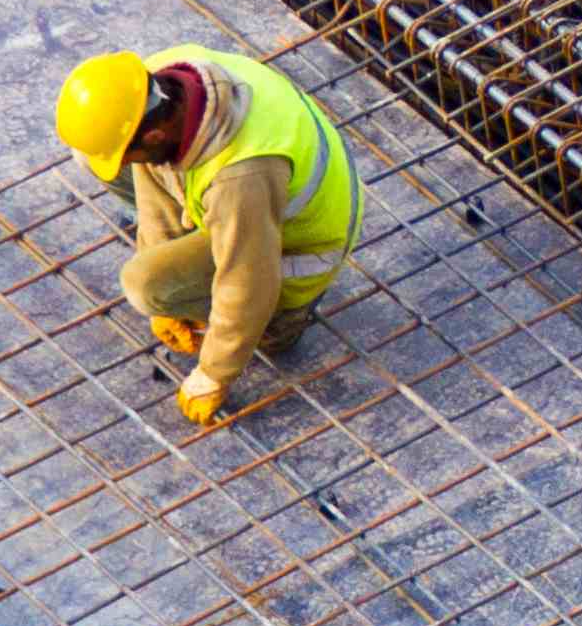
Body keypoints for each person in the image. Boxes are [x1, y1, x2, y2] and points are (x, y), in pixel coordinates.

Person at [56, 46, 358, 428]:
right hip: (253, 200)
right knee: (97, 155)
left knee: (146, 284)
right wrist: (169, 288)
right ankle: (202, 238)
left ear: (155, 134)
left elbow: (249, 280)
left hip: (300, 246)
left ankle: (281, 321)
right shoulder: (160, 82)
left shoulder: (240, 179)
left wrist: (214, 372)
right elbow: (155, 173)